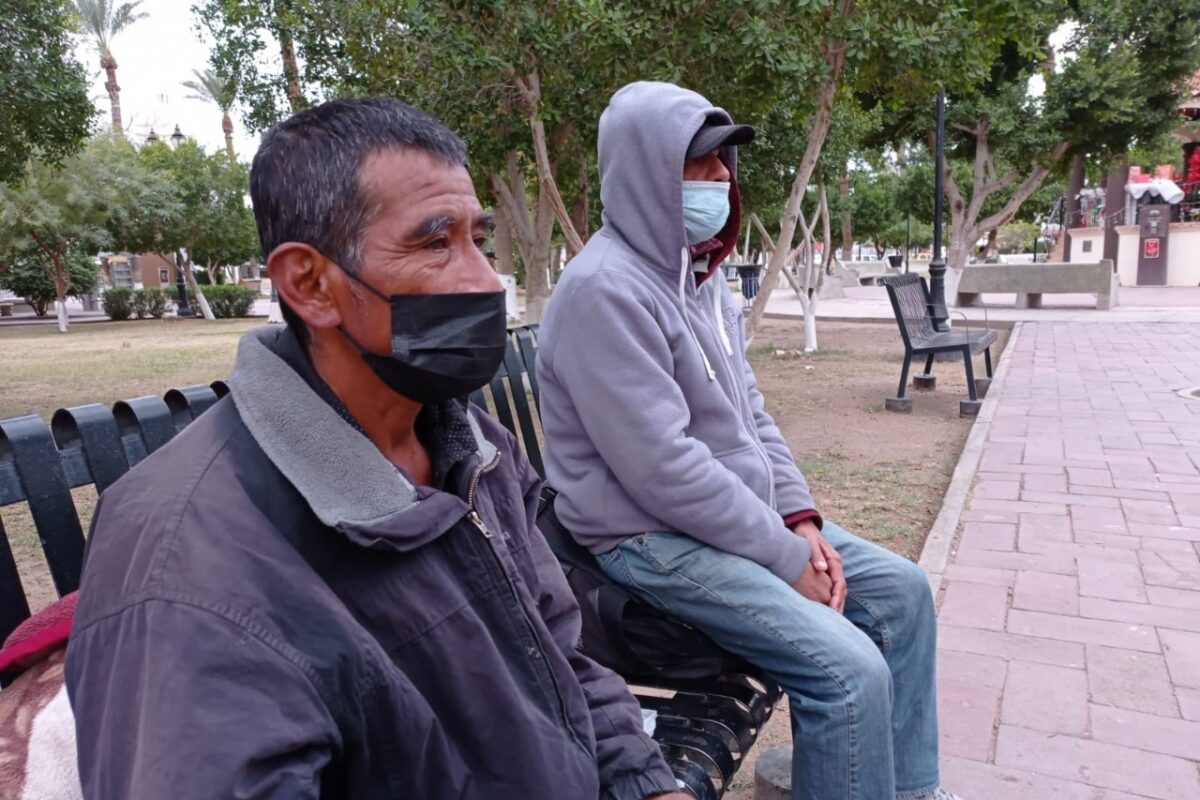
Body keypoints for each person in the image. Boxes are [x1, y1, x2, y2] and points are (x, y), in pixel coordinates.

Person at [65, 97, 689, 800]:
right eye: (433, 243)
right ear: (309, 284)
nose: (485, 280)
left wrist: (647, 783)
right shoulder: (189, 566)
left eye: (477, 238)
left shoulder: (475, 447)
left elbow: (557, 654)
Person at [538, 81, 961, 800]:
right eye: (697, 167)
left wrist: (800, 518)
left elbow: (752, 413)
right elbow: (662, 471)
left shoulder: (698, 277)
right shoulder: (603, 292)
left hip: (734, 521)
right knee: (846, 672)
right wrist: (784, 557)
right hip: (643, 538)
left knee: (903, 593)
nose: (719, 182)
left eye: (723, 166)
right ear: (642, 173)